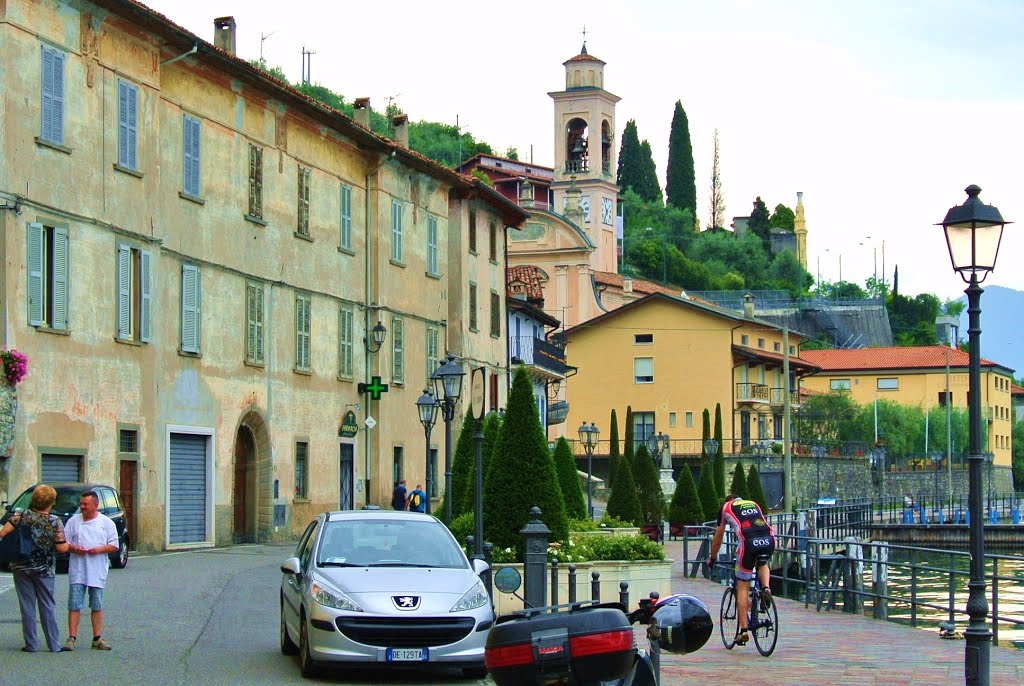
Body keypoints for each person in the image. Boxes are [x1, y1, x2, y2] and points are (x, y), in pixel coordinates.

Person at [0, 484, 69, 653]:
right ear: (51, 502)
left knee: (27, 605)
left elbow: (3, 533)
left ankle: (31, 644)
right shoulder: (54, 521)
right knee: (47, 605)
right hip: (44, 568)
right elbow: (61, 548)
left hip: (21, 565)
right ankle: (54, 645)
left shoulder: (21, 515)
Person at [707, 494, 776, 647]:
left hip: (748, 542)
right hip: (769, 539)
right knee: (762, 562)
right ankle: (766, 589)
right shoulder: (753, 502)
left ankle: (743, 631)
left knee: (742, 586)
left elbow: (718, 536)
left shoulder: (726, 507)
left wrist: (712, 558)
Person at [62, 490, 119, 651]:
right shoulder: (73, 521)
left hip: (97, 569)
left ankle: (97, 637)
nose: (82, 507)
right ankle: (72, 637)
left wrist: (99, 550)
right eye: (81, 504)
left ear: (95, 505)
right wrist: (74, 548)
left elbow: (114, 545)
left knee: (96, 604)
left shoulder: (106, 523)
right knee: (74, 605)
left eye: (85, 504)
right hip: (78, 569)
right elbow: (64, 543)